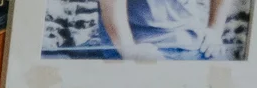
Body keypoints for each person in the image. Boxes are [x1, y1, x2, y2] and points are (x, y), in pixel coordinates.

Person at [91, 0, 229, 58]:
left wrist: (215, 31)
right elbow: (112, 6)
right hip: (138, 46)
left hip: (192, 43)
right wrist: (128, 50)